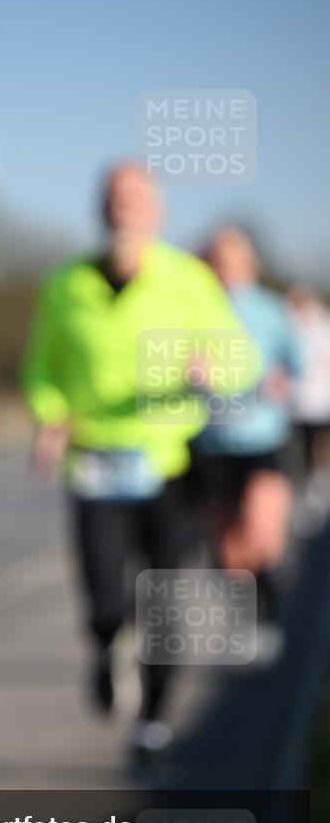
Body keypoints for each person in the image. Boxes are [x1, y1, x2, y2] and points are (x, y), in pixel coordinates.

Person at [22, 163, 258, 756]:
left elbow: (242, 361)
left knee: (162, 599)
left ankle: (153, 720)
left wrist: (213, 370)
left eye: (135, 198)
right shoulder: (64, 284)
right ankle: (106, 645)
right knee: (104, 598)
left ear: (158, 212)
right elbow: (41, 367)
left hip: (169, 463)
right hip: (94, 461)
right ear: (100, 209)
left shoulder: (188, 280)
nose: (122, 207)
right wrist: (50, 415)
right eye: (112, 197)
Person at [192, 227, 302, 641]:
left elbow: (296, 363)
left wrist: (281, 381)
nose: (227, 269)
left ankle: (269, 615)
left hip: (262, 437)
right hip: (212, 441)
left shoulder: (270, 310)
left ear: (250, 263)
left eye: (235, 260)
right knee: (230, 553)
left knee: (261, 534)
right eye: (218, 260)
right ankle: (249, 615)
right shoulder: (194, 309)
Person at [287, 283, 330, 476]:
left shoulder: (323, 326)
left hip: (319, 397)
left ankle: (316, 474)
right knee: (300, 443)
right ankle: (304, 474)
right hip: (295, 399)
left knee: (318, 440)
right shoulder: (289, 323)